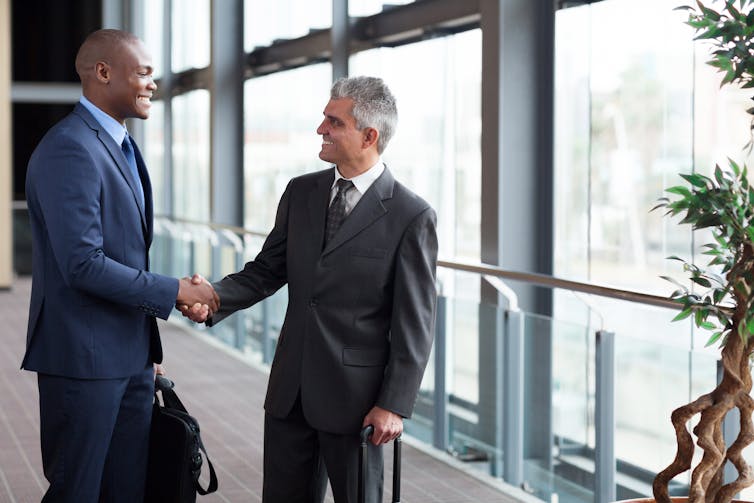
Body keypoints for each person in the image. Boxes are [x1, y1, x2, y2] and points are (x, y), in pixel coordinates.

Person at [183, 76, 438, 502]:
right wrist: (213, 299)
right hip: (290, 391)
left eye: (334, 122)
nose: (321, 129)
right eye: (324, 118)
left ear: (369, 135)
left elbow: (415, 323)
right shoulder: (301, 192)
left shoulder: (411, 216)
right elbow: (266, 270)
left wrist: (394, 403)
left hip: (358, 404)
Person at [22, 29, 219, 503]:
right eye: (144, 73)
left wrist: (143, 353)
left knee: (126, 490)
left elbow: (126, 253)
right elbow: (84, 265)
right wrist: (175, 291)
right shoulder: (70, 147)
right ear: (103, 72)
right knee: (79, 491)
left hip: (128, 358)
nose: (153, 83)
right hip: (83, 361)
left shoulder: (120, 146)